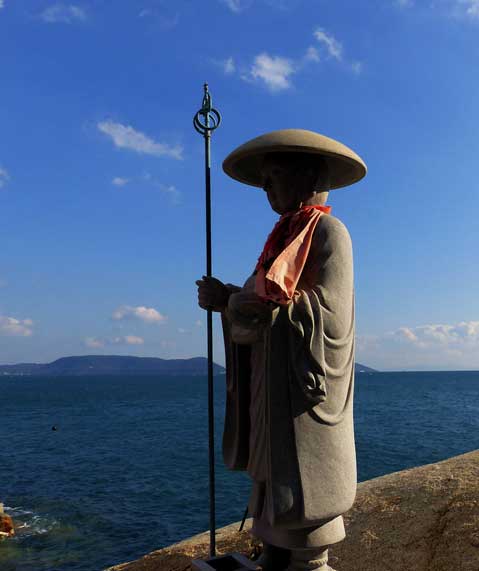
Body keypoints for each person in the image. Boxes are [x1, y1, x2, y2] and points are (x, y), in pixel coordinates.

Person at [196, 129, 366, 571]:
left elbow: (327, 315)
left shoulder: (329, 232)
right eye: (265, 181)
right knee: (271, 486)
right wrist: (231, 298)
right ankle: (273, 549)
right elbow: (268, 299)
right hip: (270, 383)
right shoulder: (282, 236)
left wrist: (234, 303)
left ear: (307, 177)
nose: (267, 189)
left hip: (302, 389)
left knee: (302, 490)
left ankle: (308, 557)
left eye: (274, 178)